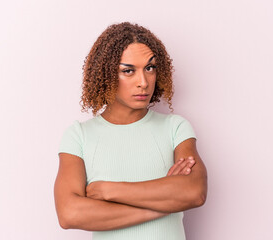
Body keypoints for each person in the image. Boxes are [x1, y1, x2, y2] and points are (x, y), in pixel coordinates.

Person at [54, 22, 208, 240]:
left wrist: (109, 191)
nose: (143, 82)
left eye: (150, 68)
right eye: (128, 71)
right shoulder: (79, 136)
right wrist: (163, 205)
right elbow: (70, 213)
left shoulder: (175, 128)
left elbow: (194, 192)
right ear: (106, 75)